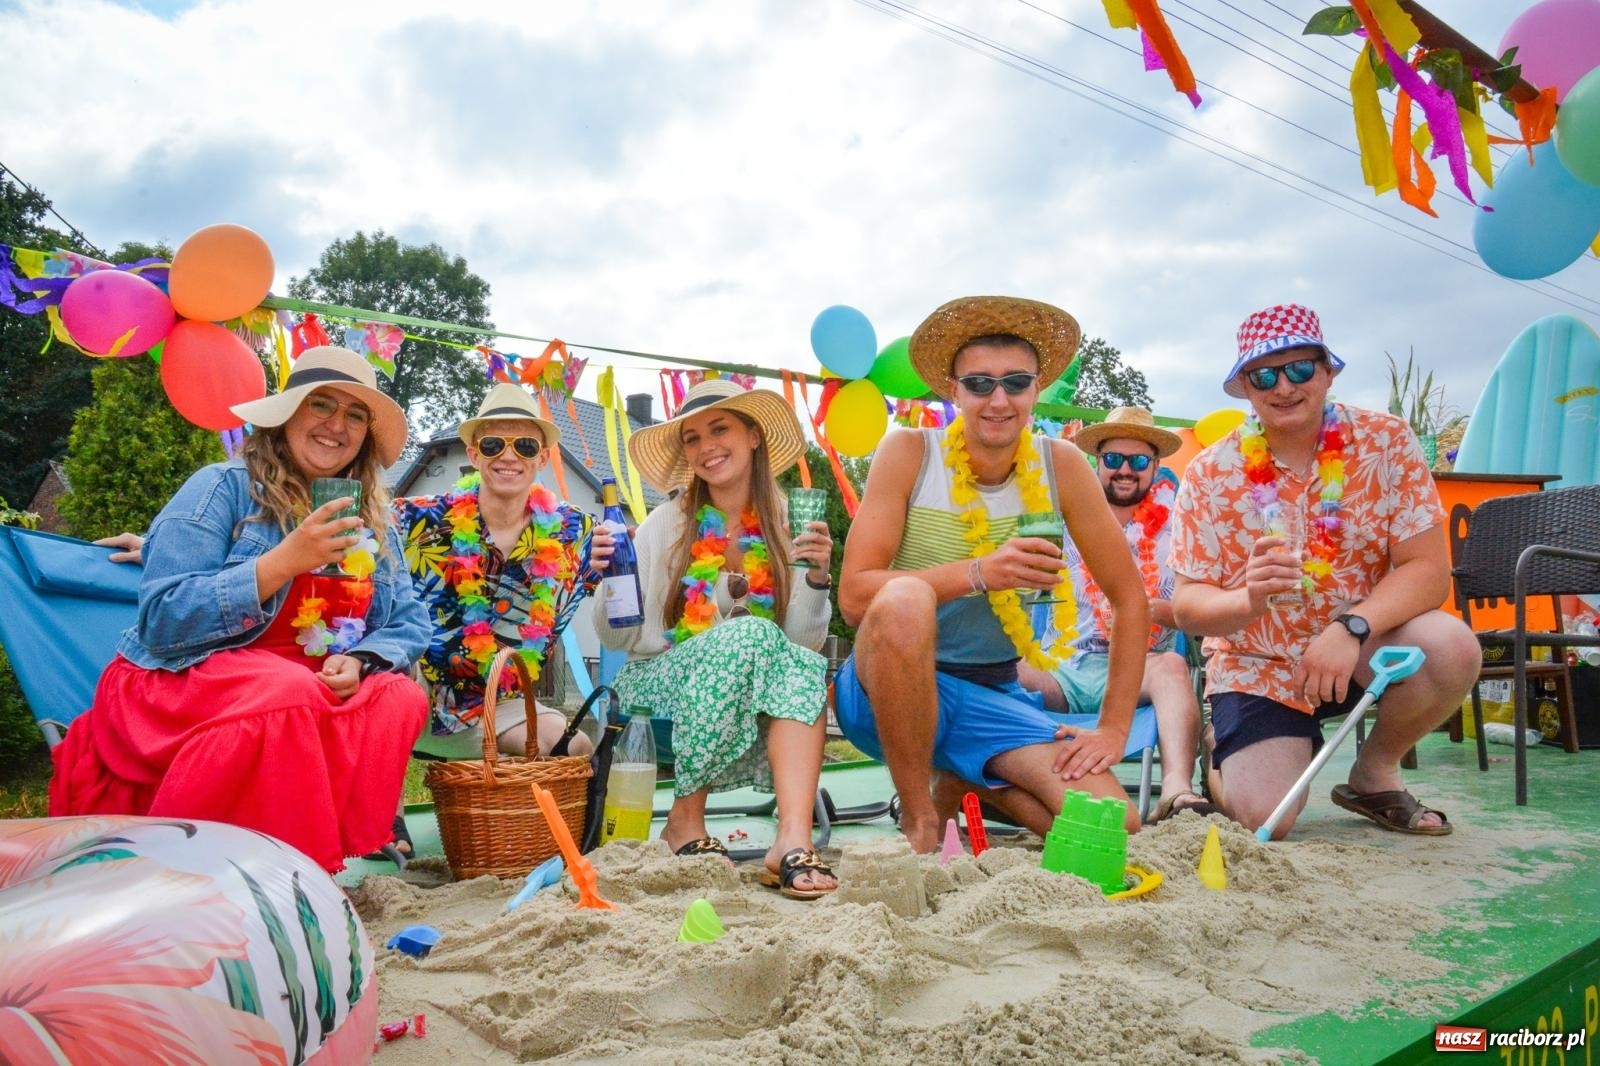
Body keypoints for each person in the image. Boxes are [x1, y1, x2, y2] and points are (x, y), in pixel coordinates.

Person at [50, 346, 432, 873]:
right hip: (180, 681)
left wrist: (365, 656)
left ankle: (309, 858)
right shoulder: (219, 489)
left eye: (355, 414)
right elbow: (162, 619)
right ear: (285, 416)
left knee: (397, 695)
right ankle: (234, 873)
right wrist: (281, 562)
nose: (336, 425)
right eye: (321, 404)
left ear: (366, 434)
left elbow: (410, 621)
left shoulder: (368, 520)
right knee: (287, 693)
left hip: (299, 686)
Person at [836, 296, 1151, 853]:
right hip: (885, 685)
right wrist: (980, 572)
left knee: (1109, 829)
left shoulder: (1063, 465)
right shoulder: (910, 451)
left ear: (1036, 391)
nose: (998, 399)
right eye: (979, 384)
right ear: (952, 391)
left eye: (1016, 382)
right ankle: (921, 820)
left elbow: (1130, 598)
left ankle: (965, 780)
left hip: (991, 691)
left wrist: (1112, 729)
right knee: (904, 595)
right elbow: (857, 597)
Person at [1169, 303, 1480, 839]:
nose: (1283, 386)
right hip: (1257, 661)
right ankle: (1223, 747)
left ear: (1328, 371)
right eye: (1264, 374)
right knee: (1265, 819)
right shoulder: (1209, 473)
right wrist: (1247, 600)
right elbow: (1188, 606)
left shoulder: (1386, 442)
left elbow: (1428, 571)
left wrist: (1351, 625)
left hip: (1361, 646)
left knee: (1452, 647)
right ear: (1245, 386)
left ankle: (1374, 773)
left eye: (1299, 368)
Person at [594, 379, 837, 899]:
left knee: (801, 664)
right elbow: (620, 639)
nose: (706, 448)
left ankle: (791, 839)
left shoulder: (786, 519)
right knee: (746, 635)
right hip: (658, 688)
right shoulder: (666, 523)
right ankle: (685, 818)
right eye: (693, 438)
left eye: (719, 429)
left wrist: (817, 579)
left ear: (753, 436)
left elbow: (801, 642)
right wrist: (606, 583)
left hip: (753, 693)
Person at [1018, 406, 1215, 821]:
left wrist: (1147, 610)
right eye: (1114, 459)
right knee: (997, 668)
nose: (1126, 470)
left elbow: (1198, 612)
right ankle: (982, 784)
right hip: (1062, 669)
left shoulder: (1180, 530)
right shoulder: (1060, 520)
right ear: (1097, 462)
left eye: (1139, 460)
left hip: (1142, 668)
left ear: (1156, 466)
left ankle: (1178, 790)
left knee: (1175, 666)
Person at [395, 383, 611, 760]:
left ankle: (516, 819)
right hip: (418, 700)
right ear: (474, 454)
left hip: (504, 704)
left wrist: (626, 555)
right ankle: (388, 819)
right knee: (385, 685)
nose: (508, 456)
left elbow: (626, 564)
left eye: (524, 446)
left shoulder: (576, 532)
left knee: (573, 747)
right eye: (494, 444)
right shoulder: (414, 520)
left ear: (542, 459)